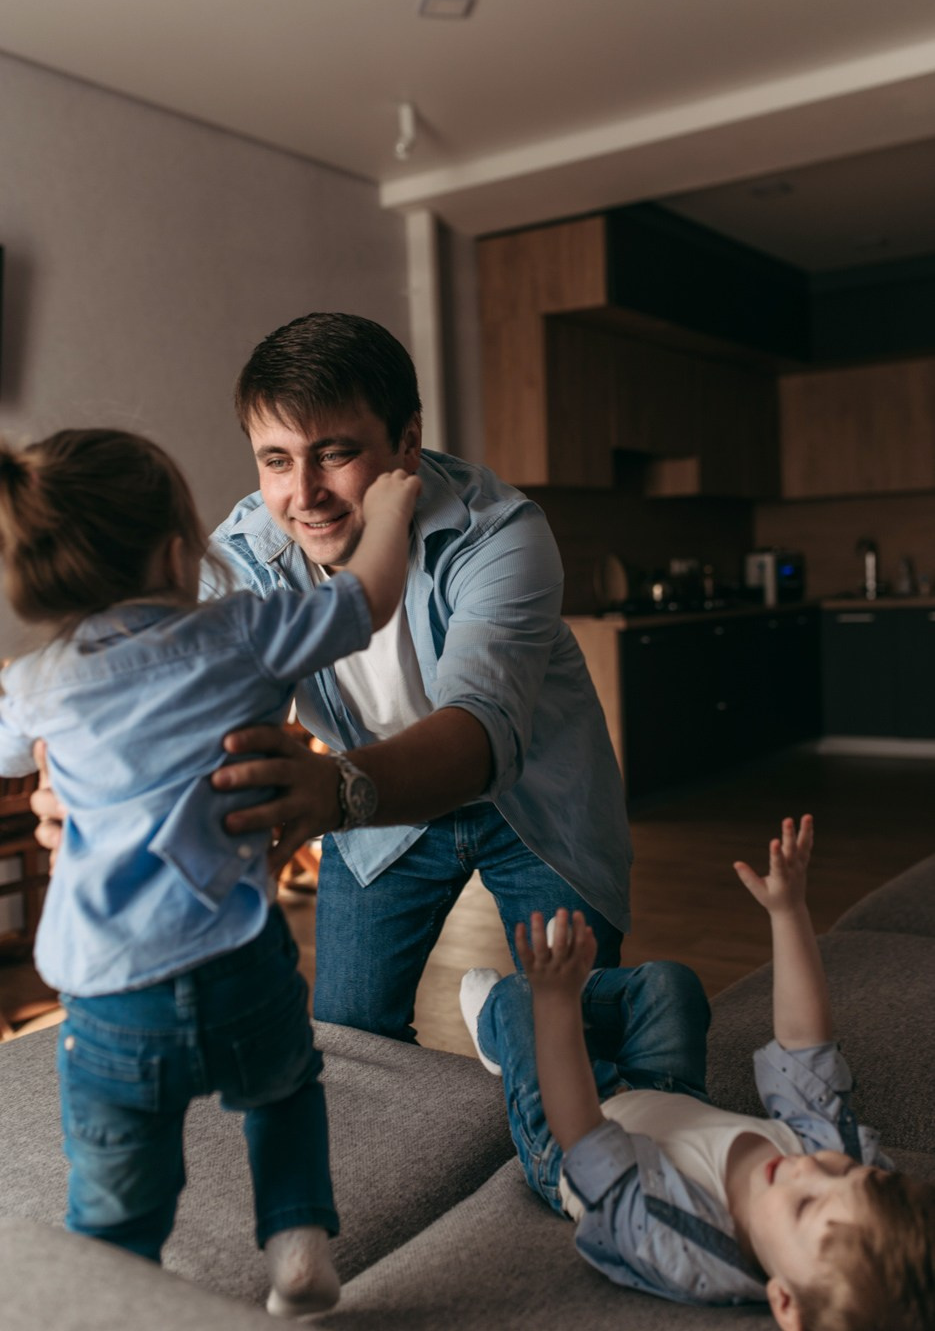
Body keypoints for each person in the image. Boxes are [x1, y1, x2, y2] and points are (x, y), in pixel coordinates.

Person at [0, 427, 420, 1318]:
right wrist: (388, 506)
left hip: (113, 999)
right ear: (172, 554)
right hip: (239, 962)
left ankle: (119, 1287)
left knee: (116, 1191)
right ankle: (297, 1249)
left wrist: (34, 726)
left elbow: (6, 751)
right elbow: (367, 599)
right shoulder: (242, 630)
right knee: (285, 1092)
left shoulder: (40, 682)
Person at [185, 310, 632, 1042]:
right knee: (352, 1040)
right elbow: (170, 690)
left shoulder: (500, 533)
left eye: (333, 454)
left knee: (573, 1037)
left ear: (408, 441)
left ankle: (518, 1037)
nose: (304, 494)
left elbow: (482, 731)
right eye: (276, 461)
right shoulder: (240, 558)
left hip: (533, 800)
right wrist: (81, 784)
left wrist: (332, 790)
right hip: (371, 806)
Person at [459, 817, 935, 1329]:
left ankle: (503, 1026)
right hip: (670, 1095)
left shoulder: (678, 1244)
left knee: (522, 999)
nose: (811, 1169)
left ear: (785, 1303)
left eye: (804, 1206)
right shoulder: (839, 1168)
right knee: (671, 984)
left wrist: (555, 1004)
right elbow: (807, 1049)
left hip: (569, 1134)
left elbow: (584, 1135)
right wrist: (789, 912)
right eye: (848, 1173)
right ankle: (568, 997)